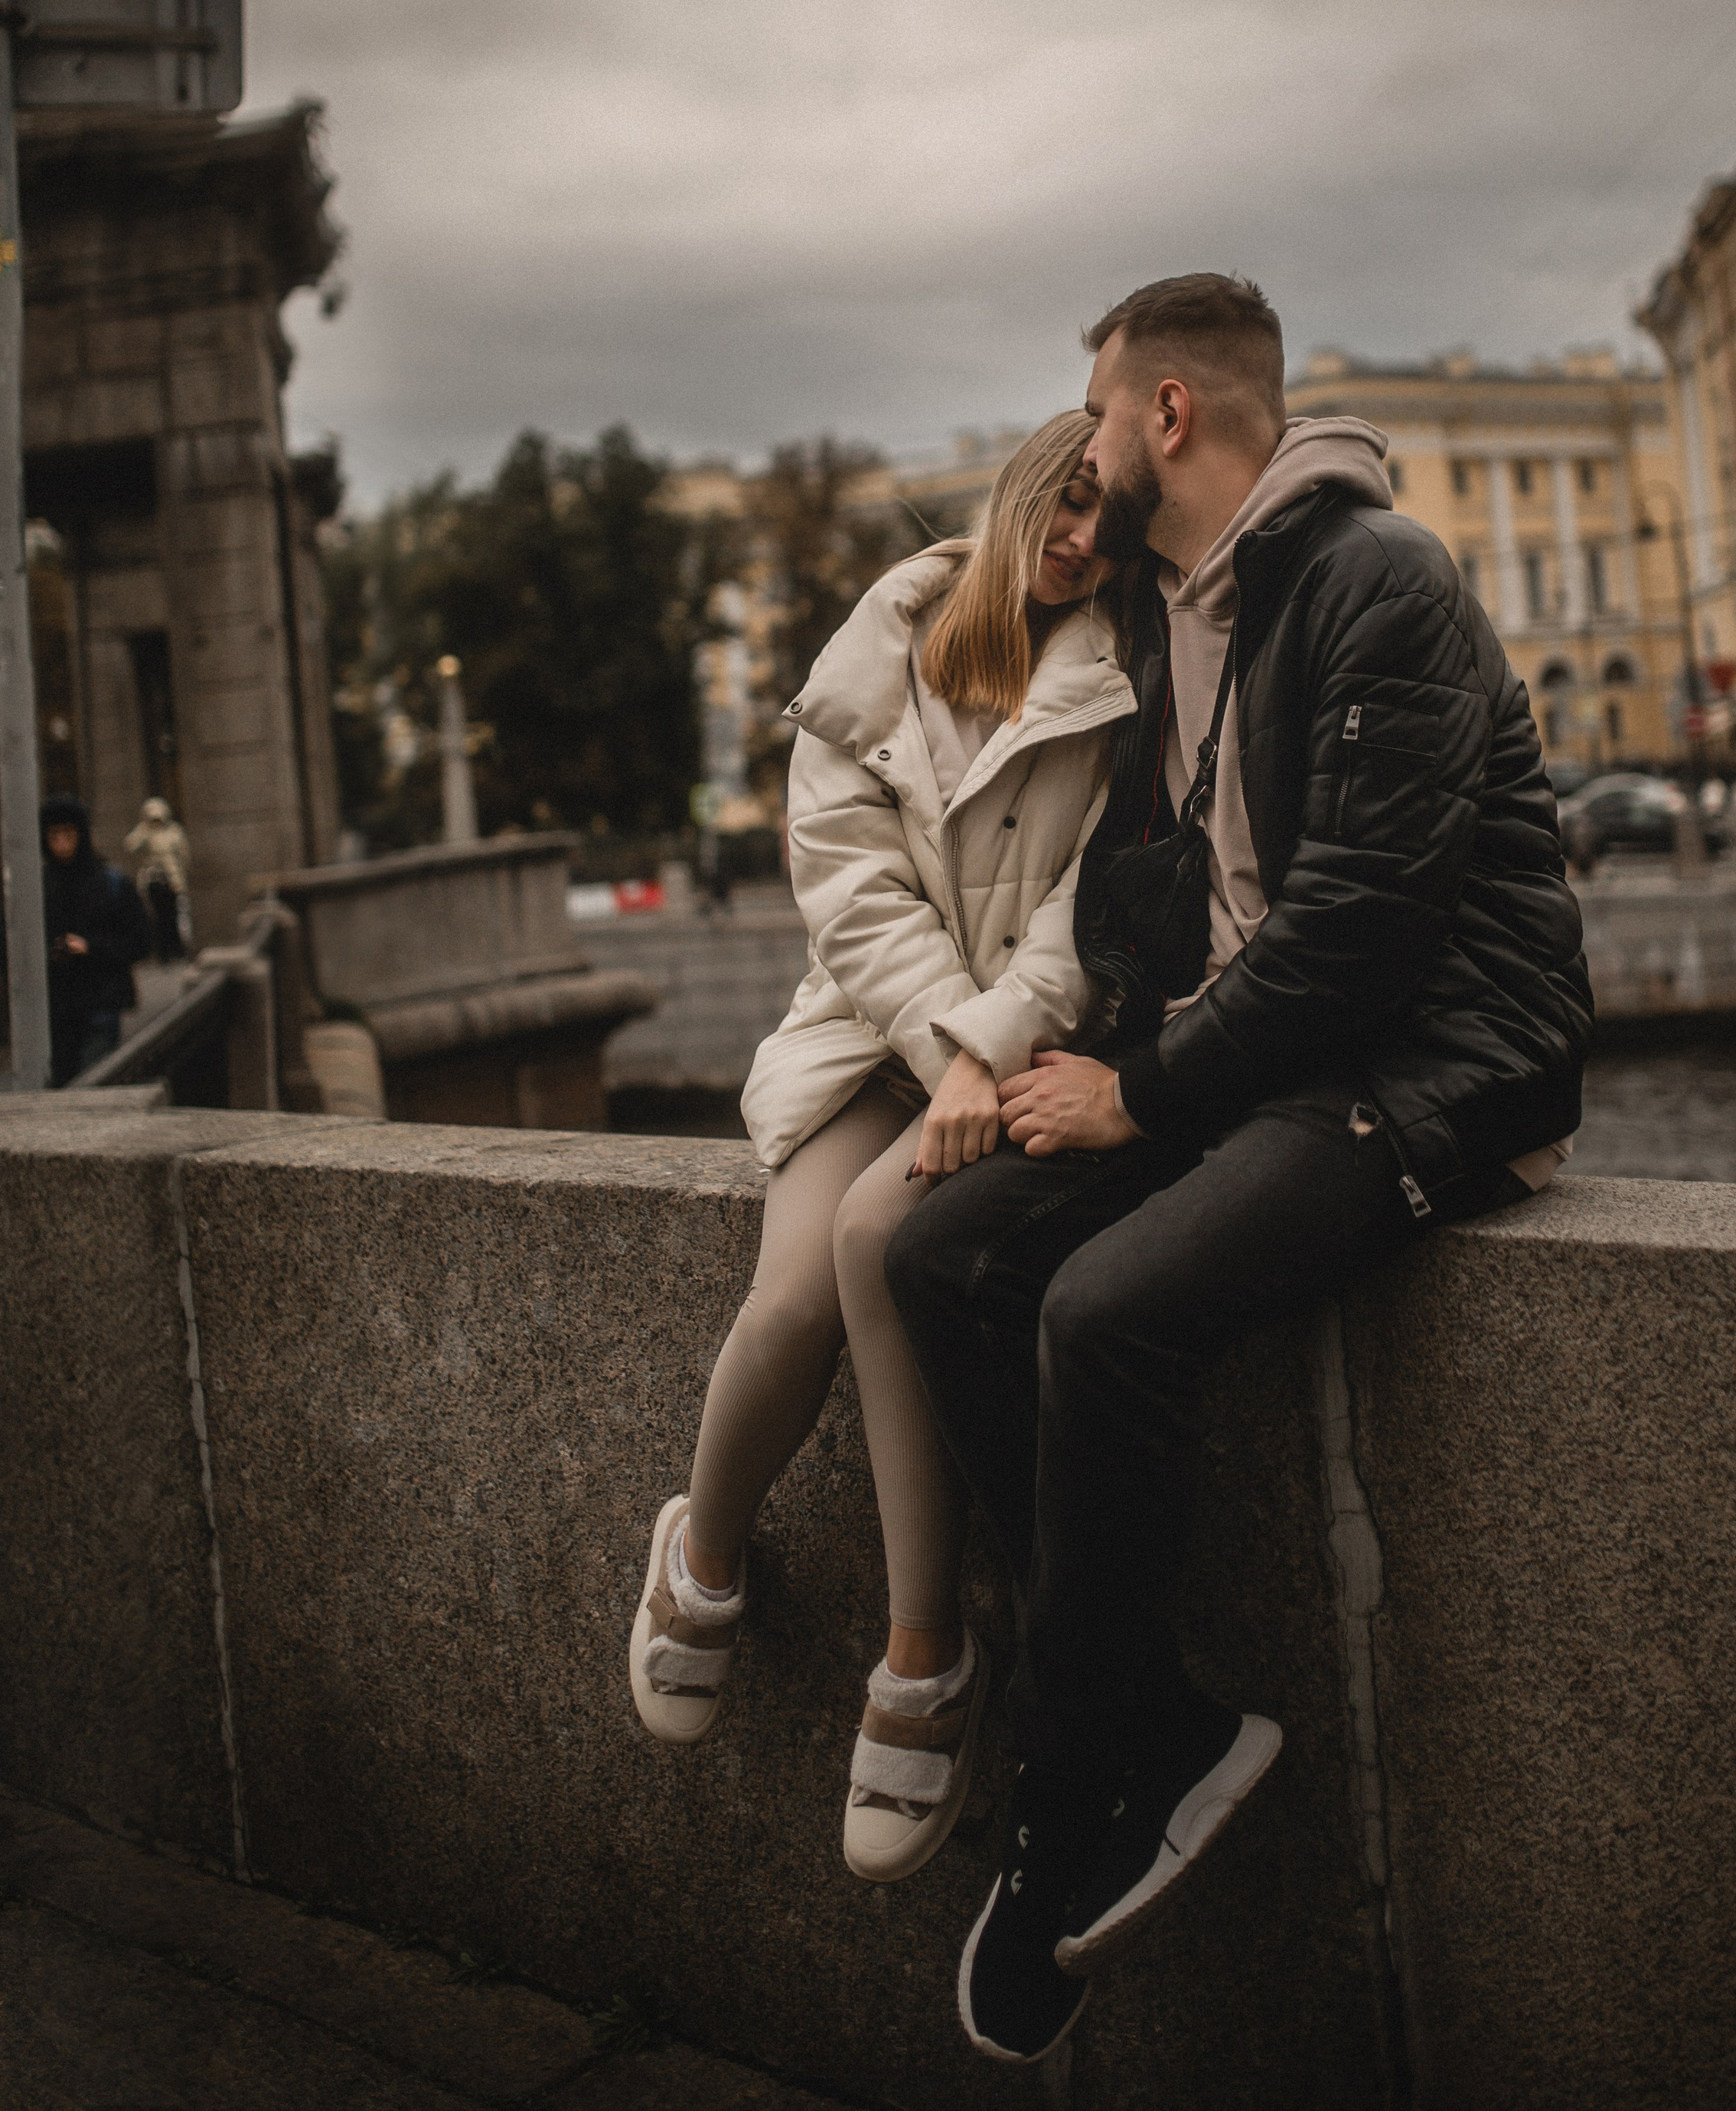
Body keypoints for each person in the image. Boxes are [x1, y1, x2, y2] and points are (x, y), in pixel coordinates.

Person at [886, 273, 1592, 2065]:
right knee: (941, 1256)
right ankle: (1152, 1726)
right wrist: (1050, 1060)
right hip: (1249, 1063)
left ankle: (1078, 1776)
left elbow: (1359, 929)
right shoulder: (1165, 613)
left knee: (1105, 1311)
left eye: (1100, 415)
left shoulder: (1376, 579)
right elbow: (949, 639)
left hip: (1420, 1064)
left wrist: (1140, 1095)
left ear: (1170, 416)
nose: (1087, 449)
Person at [631, 413, 1134, 1885]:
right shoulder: (879, 655)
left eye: (1108, 520)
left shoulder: (1125, 672)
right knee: (792, 1293)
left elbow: (1095, 908)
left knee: (879, 1246)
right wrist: (949, 1047)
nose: (1080, 538)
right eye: (1065, 501)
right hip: (872, 1033)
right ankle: (700, 1554)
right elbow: (847, 897)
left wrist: (994, 1045)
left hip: (1015, 1043)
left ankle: (926, 1655)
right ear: (1017, 494)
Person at [40, 793, 152, 1086]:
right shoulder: (38, 888)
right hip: (56, 1010)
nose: (62, 842)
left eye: (69, 833)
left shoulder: (110, 883)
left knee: (93, 1086)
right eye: (54, 834)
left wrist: (90, 947)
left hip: (100, 1003)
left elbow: (141, 940)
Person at [123, 795, 191, 962]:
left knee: (174, 916)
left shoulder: (174, 831)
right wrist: (144, 829)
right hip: (154, 880)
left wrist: (180, 875)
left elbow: (184, 855)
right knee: (158, 918)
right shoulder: (145, 832)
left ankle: (177, 950)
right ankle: (163, 953)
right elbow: (130, 846)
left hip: (172, 880)